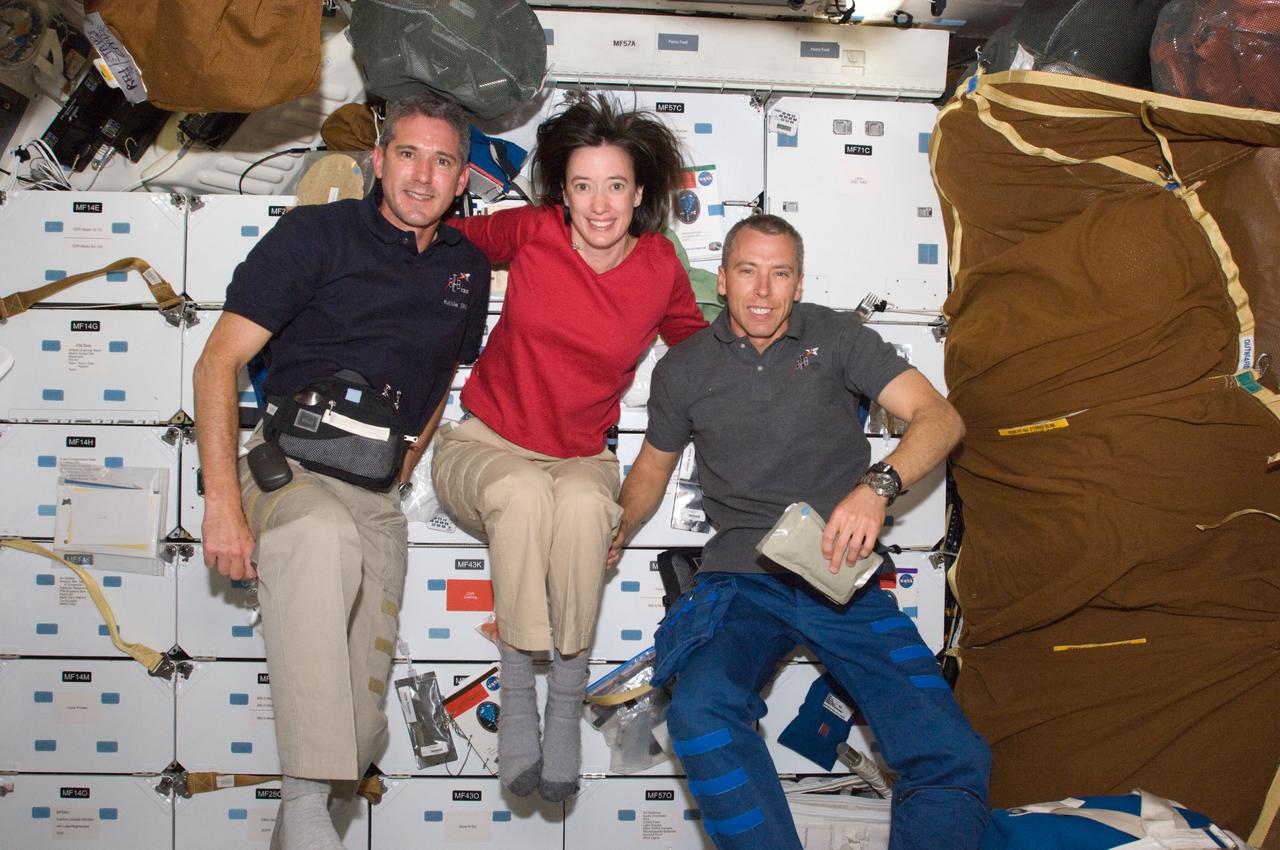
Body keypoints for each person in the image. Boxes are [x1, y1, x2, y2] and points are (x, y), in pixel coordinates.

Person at [609, 214, 991, 850]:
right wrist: (615, 530)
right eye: (748, 271)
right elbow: (651, 469)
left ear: (799, 281)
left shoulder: (838, 338)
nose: (763, 291)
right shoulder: (683, 369)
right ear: (722, 278)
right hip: (739, 582)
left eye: (779, 273)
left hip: (842, 575)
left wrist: (878, 487)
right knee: (701, 714)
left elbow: (940, 417)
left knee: (951, 751)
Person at [193, 94, 489, 850]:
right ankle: (299, 803)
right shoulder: (312, 237)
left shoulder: (467, 269)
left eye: (443, 160)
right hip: (286, 471)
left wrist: (402, 472)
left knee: (354, 735)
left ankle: (304, 819)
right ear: (378, 161)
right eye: (409, 155)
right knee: (318, 535)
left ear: (462, 181)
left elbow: (437, 390)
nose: (423, 176)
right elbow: (218, 362)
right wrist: (223, 504)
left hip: (375, 496)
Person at [431, 94, 707, 802]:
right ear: (564, 192)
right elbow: (443, 238)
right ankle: (522, 697)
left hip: (581, 459)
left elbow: (701, 357)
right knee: (523, 495)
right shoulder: (533, 231)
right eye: (582, 186)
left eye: (615, 185)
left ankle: (567, 701)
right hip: (485, 446)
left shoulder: (658, 267)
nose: (599, 204)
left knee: (588, 511)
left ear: (640, 192)